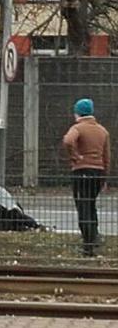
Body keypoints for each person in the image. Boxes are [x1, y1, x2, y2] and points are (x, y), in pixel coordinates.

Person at [62, 98, 110, 257]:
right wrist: (104, 178)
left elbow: (68, 141)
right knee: (91, 204)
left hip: (82, 171)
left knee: (82, 207)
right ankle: (94, 237)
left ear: (78, 112)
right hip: (98, 172)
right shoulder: (103, 131)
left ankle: (87, 245)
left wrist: (75, 157)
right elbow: (107, 156)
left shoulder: (78, 128)